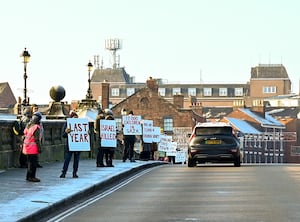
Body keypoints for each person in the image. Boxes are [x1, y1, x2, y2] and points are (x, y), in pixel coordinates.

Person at [22, 112, 43, 182]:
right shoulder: (36, 127)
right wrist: (39, 148)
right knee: (33, 163)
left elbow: (24, 134)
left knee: (29, 162)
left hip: (26, 146)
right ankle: (32, 177)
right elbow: (37, 139)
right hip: (33, 147)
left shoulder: (29, 126)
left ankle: (28, 176)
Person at [60, 110, 80, 178]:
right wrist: (66, 132)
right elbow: (63, 135)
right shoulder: (67, 124)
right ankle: (63, 173)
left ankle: (75, 173)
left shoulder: (80, 124)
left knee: (76, 160)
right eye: (74, 118)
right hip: (70, 145)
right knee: (67, 159)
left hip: (78, 145)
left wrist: (87, 132)